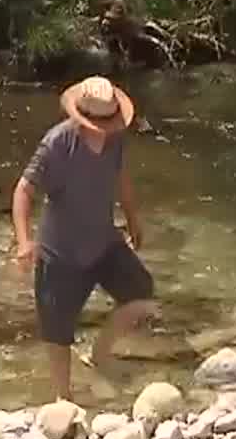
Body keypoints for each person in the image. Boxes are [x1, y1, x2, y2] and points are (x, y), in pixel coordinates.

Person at [12, 76, 155, 404]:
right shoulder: (57, 144)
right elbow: (23, 190)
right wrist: (24, 242)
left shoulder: (115, 140)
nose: (109, 128)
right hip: (60, 253)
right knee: (58, 333)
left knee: (141, 295)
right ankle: (64, 399)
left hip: (104, 243)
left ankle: (99, 356)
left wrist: (133, 219)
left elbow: (121, 180)